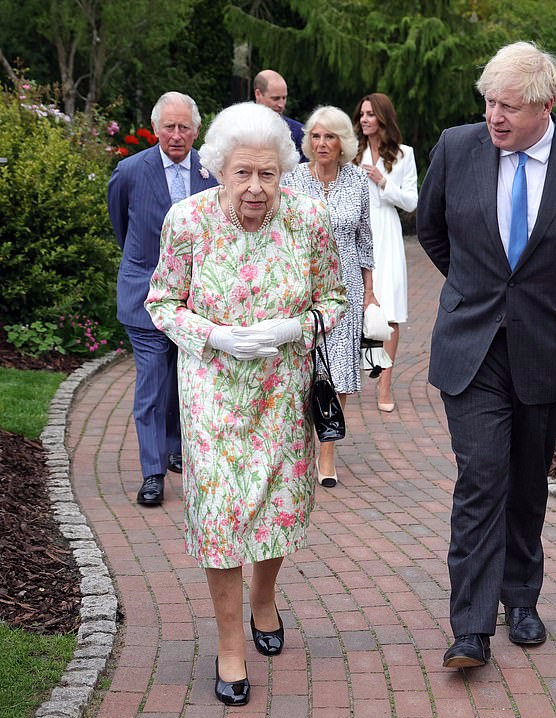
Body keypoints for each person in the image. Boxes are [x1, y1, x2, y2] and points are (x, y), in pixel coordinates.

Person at [417, 41, 556, 669]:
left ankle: (522, 597)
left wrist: (551, 297)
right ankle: (472, 629)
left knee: (528, 479)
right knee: (482, 476)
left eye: (509, 106)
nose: (495, 116)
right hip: (473, 345)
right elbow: (432, 229)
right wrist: (480, 289)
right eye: (488, 102)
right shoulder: (457, 149)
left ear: (547, 106)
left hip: (548, 344)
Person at [144, 102, 346, 706]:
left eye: (269, 174)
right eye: (242, 174)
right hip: (212, 395)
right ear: (218, 170)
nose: (256, 189)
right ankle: (230, 646)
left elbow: (335, 299)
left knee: (279, 509)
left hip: (281, 394)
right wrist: (214, 335)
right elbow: (160, 302)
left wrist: (295, 329)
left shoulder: (309, 220)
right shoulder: (187, 222)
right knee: (223, 518)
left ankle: (264, 599)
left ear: (285, 171)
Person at [108, 91, 219, 507]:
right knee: (153, 381)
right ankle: (153, 473)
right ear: (155, 129)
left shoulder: (210, 174)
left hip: (194, 299)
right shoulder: (131, 171)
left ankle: (175, 445)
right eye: (169, 127)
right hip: (145, 295)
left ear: (196, 129)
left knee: (183, 377)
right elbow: (121, 224)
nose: (177, 135)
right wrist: (145, 269)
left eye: (184, 126)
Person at [284, 105, 375, 487]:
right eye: (316, 136)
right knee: (302, 369)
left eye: (330, 137)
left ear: (344, 143)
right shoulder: (291, 179)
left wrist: (370, 292)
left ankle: (327, 450)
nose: (322, 143)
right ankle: (299, 444)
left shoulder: (357, 180)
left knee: (338, 372)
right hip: (303, 288)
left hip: (348, 287)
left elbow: (364, 239)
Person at [352, 92, 418, 412]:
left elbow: (411, 202)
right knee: (363, 310)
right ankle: (372, 368)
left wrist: (382, 182)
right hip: (357, 233)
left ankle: (384, 385)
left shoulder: (404, 155)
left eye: (370, 114)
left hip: (388, 233)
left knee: (388, 311)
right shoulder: (351, 153)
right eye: (361, 114)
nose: (364, 119)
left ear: (383, 118)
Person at [253, 69, 307, 163]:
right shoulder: (235, 127)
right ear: (258, 94)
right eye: (275, 99)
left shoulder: (299, 133)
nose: (281, 105)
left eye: (284, 98)